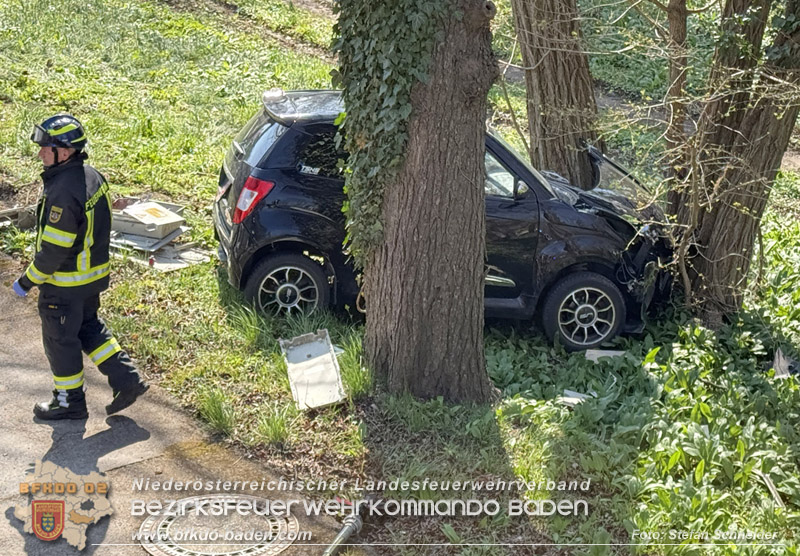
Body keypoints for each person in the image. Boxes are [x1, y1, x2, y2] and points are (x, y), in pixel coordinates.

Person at [12, 114, 148, 420]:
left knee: (60, 342)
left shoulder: (63, 191)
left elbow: (53, 251)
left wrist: (26, 281)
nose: (40, 153)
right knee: (88, 328)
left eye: (45, 148)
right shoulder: (91, 176)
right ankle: (127, 380)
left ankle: (69, 402)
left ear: (64, 151)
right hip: (90, 280)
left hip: (64, 285)